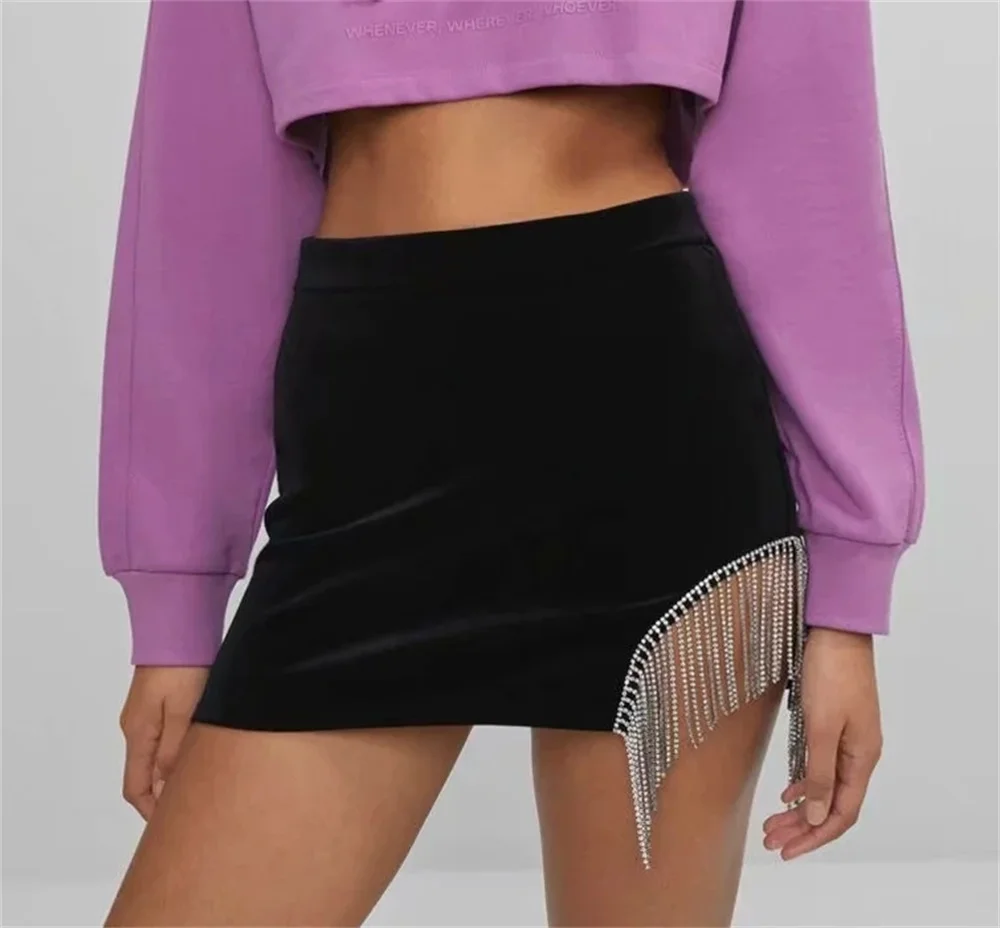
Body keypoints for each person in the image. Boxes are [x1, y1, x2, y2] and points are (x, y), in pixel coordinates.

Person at [98, 1, 924, 925]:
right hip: (368, 455)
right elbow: (203, 191)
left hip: (655, 451)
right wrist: (174, 600)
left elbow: (808, 176)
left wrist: (848, 600)